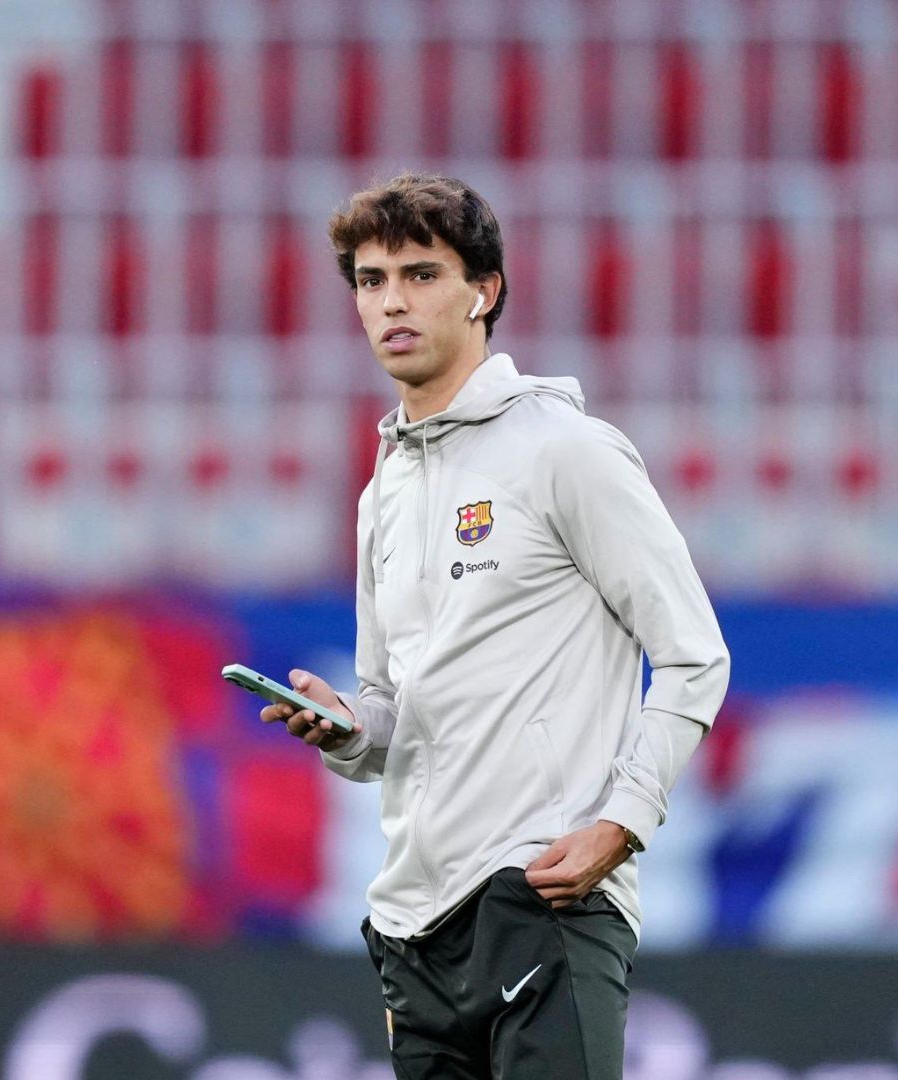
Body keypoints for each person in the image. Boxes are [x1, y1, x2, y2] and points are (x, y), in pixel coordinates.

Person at [261, 173, 729, 1079]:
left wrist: (620, 822)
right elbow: (390, 711)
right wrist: (346, 730)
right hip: (411, 926)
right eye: (368, 280)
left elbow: (692, 656)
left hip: (543, 898)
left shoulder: (565, 450)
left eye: (420, 273)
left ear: (485, 291)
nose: (391, 300)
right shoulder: (380, 492)